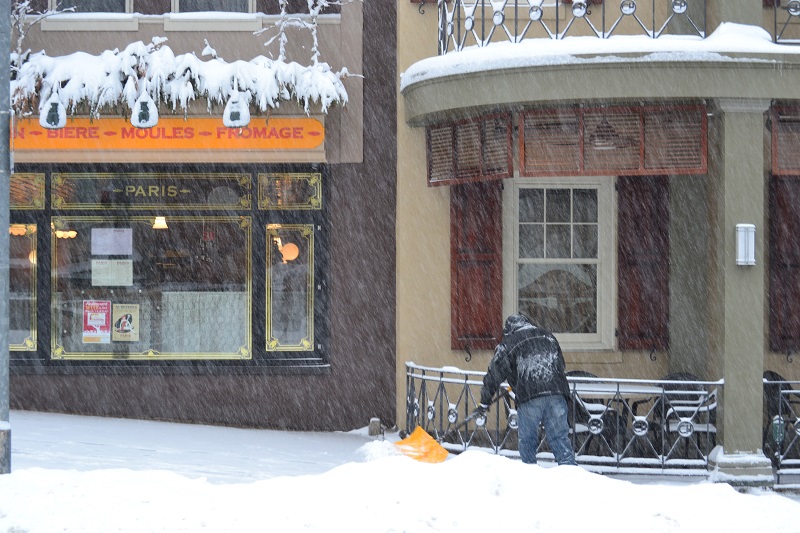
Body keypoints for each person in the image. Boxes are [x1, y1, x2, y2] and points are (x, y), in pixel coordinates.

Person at [477, 314, 577, 466]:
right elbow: (560, 365)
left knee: (528, 441)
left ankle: (529, 476)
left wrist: (484, 401)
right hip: (557, 392)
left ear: (508, 330)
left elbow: (494, 374)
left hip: (530, 396)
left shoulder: (508, 343)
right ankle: (570, 474)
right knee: (560, 439)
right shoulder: (548, 336)